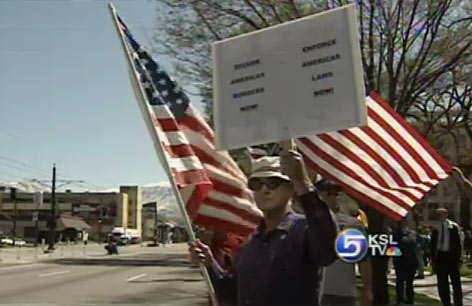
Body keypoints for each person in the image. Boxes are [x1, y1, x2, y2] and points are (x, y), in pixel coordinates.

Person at [189, 151, 338, 306]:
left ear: (291, 188)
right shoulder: (250, 242)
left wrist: (303, 184)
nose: (264, 190)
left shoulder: (304, 229)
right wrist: (210, 264)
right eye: (256, 184)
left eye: (273, 183)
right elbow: (233, 293)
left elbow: (327, 249)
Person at [318, 179, 373, 306]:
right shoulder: (305, 222)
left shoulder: (352, 225)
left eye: (335, 193)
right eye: (328, 193)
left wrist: (367, 289)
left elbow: (364, 259)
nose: (333, 196)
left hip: (343, 293)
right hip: (314, 290)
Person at [431, 207, 463, 306]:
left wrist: (460, 258)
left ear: (446, 215)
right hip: (441, 257)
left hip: (452, 257)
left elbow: (460, 243)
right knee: (442, 283)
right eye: (438, 215)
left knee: (456, 283)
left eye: (441, 215)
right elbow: (432, 245)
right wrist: (433, 259)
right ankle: (446, 302)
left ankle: (458, 303)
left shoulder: (454, 227)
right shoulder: (436, 228)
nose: (439, 217)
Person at [392, 219, 418, 305]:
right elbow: (392, 248)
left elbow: (416, 245)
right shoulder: (396, 233)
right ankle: (400, 300)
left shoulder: (411, 233)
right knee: (400, 281)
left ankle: (410, 299)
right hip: (400, 260)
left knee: (409, 282)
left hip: (411, 260)